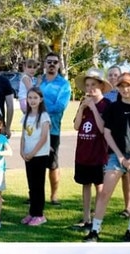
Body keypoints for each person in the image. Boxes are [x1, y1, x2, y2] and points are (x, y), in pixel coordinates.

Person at [83, 72, 130, 243]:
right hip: (116, 157)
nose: (125, 89)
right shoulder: (113, 107)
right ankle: (95, 231)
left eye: (128, 86)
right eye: (122, 86)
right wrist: (120, 156)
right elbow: (107, 132)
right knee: (104, 193)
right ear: (118, 88)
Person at [72, 67, 112, 230]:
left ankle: (97, 220)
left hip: (99, 154)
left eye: (93, 85)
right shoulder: (84, 103)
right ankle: (86, 218)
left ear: (101, 86)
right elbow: (76, 126)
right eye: (87, 85)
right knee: (85, 185)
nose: (90, 89)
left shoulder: (107, 105)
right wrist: (82, 108)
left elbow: (103, 128)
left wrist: (94, 108)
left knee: (99, 187)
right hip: (83, 153)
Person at [39, 52, 72, 205]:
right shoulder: (39, 81)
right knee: (36, 164)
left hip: (53, 130)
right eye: (49, 62)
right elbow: (29, 99)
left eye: (55, 62)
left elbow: (59, 106)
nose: (52, 64)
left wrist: (39, 105)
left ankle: (54, 196)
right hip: (35, 129)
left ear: (59, 65)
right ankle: (35, 193)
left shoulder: (64, 85)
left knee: (52, 164)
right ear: (44, 64)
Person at [20, 87, 51, 226]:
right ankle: (32, 212)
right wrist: (22, 151)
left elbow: (44, 137)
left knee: (38, 185)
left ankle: (39, 214)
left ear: (41, 99)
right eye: (30, 98)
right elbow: (23, 135)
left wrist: (33, 153)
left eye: (35, 98)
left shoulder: (43, 116)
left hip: (39, 155)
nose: (32, 101)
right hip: (28, 156)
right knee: (31, 185)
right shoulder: (26, 116)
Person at [104, 64, 130, 219]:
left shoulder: (127, 95)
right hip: (107, 141)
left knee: (125, 175)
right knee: (105, 175)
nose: (113, 77)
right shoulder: (105, 95)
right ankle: (101, 207)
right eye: (110, 75)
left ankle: (128, 207)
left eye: (115, 75)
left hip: (125, 141)